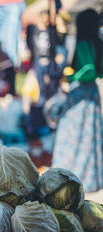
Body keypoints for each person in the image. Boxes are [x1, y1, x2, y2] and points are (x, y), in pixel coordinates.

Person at [52, 9, 103, 193]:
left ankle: (71, 176)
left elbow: (88, 70)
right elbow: (98, 71)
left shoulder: (83, 44)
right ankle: (91, 177)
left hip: (80, 93)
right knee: (91, 137)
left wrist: (71, 76)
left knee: (73, 136)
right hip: (93, 93)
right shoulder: (98, 43)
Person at [26, 10, 60, 137]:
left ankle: (49, 112)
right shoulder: (33, 31)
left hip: (49, 60)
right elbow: (30, 44)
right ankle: (41, 112)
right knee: (41, 89)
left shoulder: (51, 30)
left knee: (51, 86)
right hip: (38, 60)